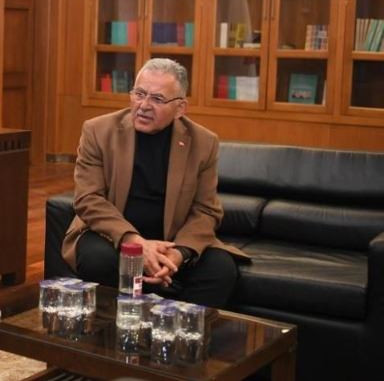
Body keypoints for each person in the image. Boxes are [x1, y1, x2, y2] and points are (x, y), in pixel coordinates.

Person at [61, 58, 248, 307]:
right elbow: (88, 199)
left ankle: (176, 327)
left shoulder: (203, 143)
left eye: (158, 99)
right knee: (98, 259)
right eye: (139, 94)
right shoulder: (98, 131)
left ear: (180, 108)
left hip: (171, 241)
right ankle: (126, 325)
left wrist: (178, 254)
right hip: (112, 236)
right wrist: (136, 243)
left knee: (220, 269)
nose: (143, 106)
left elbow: (206, 210)